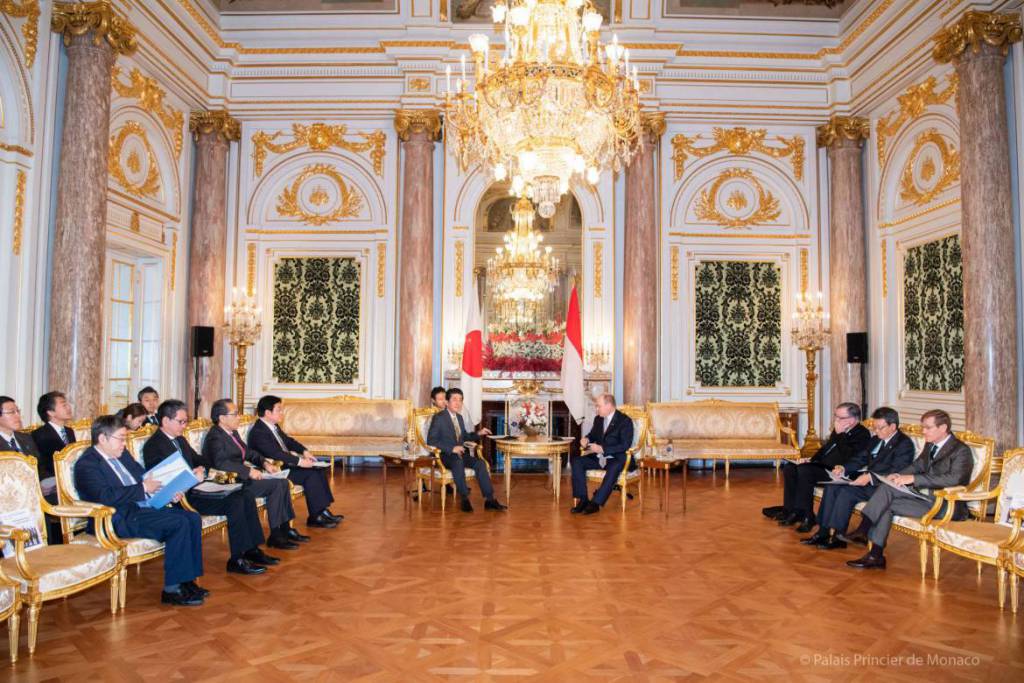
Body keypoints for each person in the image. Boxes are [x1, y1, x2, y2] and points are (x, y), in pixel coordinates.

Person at [74, 415, 206, 606]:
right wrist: (144, 489)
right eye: (120, 438)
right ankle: (172, 589)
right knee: (179, 523)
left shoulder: (122, 454)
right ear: (102, 439)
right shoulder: (87, 464)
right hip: (115, 518)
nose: (124, 443)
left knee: (192, 518)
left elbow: (142, 477)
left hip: (138, 509)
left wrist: (167, 491)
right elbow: (106, 496)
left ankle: (187, 581)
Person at [142, 399, 277, 574]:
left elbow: (198, 459)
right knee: (235, 503)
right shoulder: (154, 445)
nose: (184, 426)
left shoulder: (179, 439)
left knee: (245, 494)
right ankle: (237, 559)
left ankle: (252, 549)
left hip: (198, 487)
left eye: (186, 421)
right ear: (166, 421)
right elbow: (164, 480)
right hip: (183, 497)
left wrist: (204, 467)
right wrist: (192, 475)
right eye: (181, 422)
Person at [846, 409, 974, 570]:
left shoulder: (961, 450)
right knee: (888, 493)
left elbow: (954, 479)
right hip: (925, 499)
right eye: (923, 427)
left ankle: (864, 530)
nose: (923, 431)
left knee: (887, 494)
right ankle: (875, 555)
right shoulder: (931, 445)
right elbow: (918, 465)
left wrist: (914, 479)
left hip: (947, 505)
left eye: (928, 428)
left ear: (943, 428)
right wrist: (898, 474)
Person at [800, 406, 915, 549]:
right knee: (832, 486)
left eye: (880, 428)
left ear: (893, 426)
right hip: (868, 481)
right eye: (874, 427)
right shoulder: (875, 440)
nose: (876, 431)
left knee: (846, 492)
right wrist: (844, 467)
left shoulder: (904, 444)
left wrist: (871, 477)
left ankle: (837, 536)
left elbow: (897, 471)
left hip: (883, 487)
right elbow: (860, 458)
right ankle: (822, 532)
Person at [203, 398, 307, 550]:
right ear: (222, 418)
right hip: (231, 482)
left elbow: (248, 452)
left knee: (282, 482)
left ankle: (285, 529)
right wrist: (249, 471)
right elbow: (221, 463)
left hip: (242, 477)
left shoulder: (232, 432)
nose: (239, 417)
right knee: (277, 485)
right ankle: (276, 535)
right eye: (235, 414)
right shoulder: (215, 436)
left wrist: (265, 463)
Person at [763, 402, 871, 532]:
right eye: (835, 416)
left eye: (840, 418)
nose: (836, 420)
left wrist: (840, 434)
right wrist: (811, 459)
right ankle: (791, 511)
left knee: (805, 471)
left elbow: (848, 457)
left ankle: (808, 516)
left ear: (852, 419)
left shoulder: (862, 434)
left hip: (839, 472)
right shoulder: (839, 430)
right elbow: (826, 449)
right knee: (790, 468)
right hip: (824, 466)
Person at [247, 395, 342, 528]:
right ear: (268, 413)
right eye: (279, 409)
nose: (282, 413)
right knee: (311, 475)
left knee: (318, 469)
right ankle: (316, 517)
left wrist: (304, 451)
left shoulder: (273, 426)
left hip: (286, 464)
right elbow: (275, 454)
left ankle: (321, 511)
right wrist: (300, 461)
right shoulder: (259, 431)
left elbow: (288, 441)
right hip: (275, 469)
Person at [426, 387, 505, 513]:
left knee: (480, 463)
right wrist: (452, 448)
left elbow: (465, 437)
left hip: (459, 454)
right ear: (447, 402)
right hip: (444, 455)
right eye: (455, 399)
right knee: (458, 462)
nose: (458, 403)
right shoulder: (439, 418)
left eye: (460, 400)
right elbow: (431, 440)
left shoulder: (460, 418)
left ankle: (489, 500)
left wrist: (479, 433)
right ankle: (464, 499)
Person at [569, 393, 634, 516]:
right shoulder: (598, 419)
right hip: (599, 458)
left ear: (609, 406)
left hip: (615, 458)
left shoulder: (625, 421)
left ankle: (595, 503)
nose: (596, 409)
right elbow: (593, 435)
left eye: (599, 406)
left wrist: (603, 449)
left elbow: (625, 445)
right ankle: (583, 500)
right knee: (577, 461)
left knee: (614, 467)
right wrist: (586, 439)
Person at [32, 391, 76, 482]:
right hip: (53, 481)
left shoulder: (69, 431)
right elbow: (41, 465)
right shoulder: (39, 434)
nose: (69, 407)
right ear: (51, 412)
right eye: (64, 405)